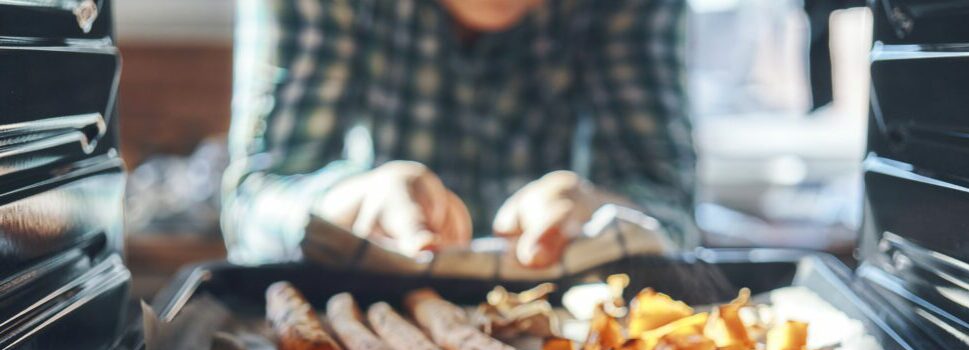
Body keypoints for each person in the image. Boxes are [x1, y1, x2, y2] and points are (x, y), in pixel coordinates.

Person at [223, 0, 696, 268]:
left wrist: (600, 207)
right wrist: (344, 202)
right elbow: (256, 200)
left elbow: (671, 212)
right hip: (366, 303)